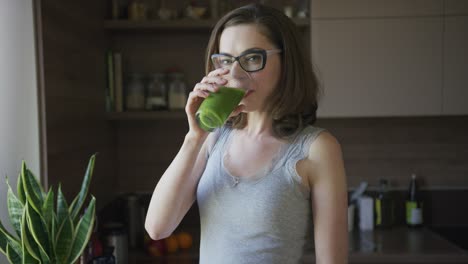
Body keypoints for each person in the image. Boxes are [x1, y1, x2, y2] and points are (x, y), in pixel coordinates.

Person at [145, 3, 348, 264]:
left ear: (287, 62)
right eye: (226, 60)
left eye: (252, 58)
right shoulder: (214, 137)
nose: (235, 75)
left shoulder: (316, 148)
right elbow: (157, 228)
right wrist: (195, 137)